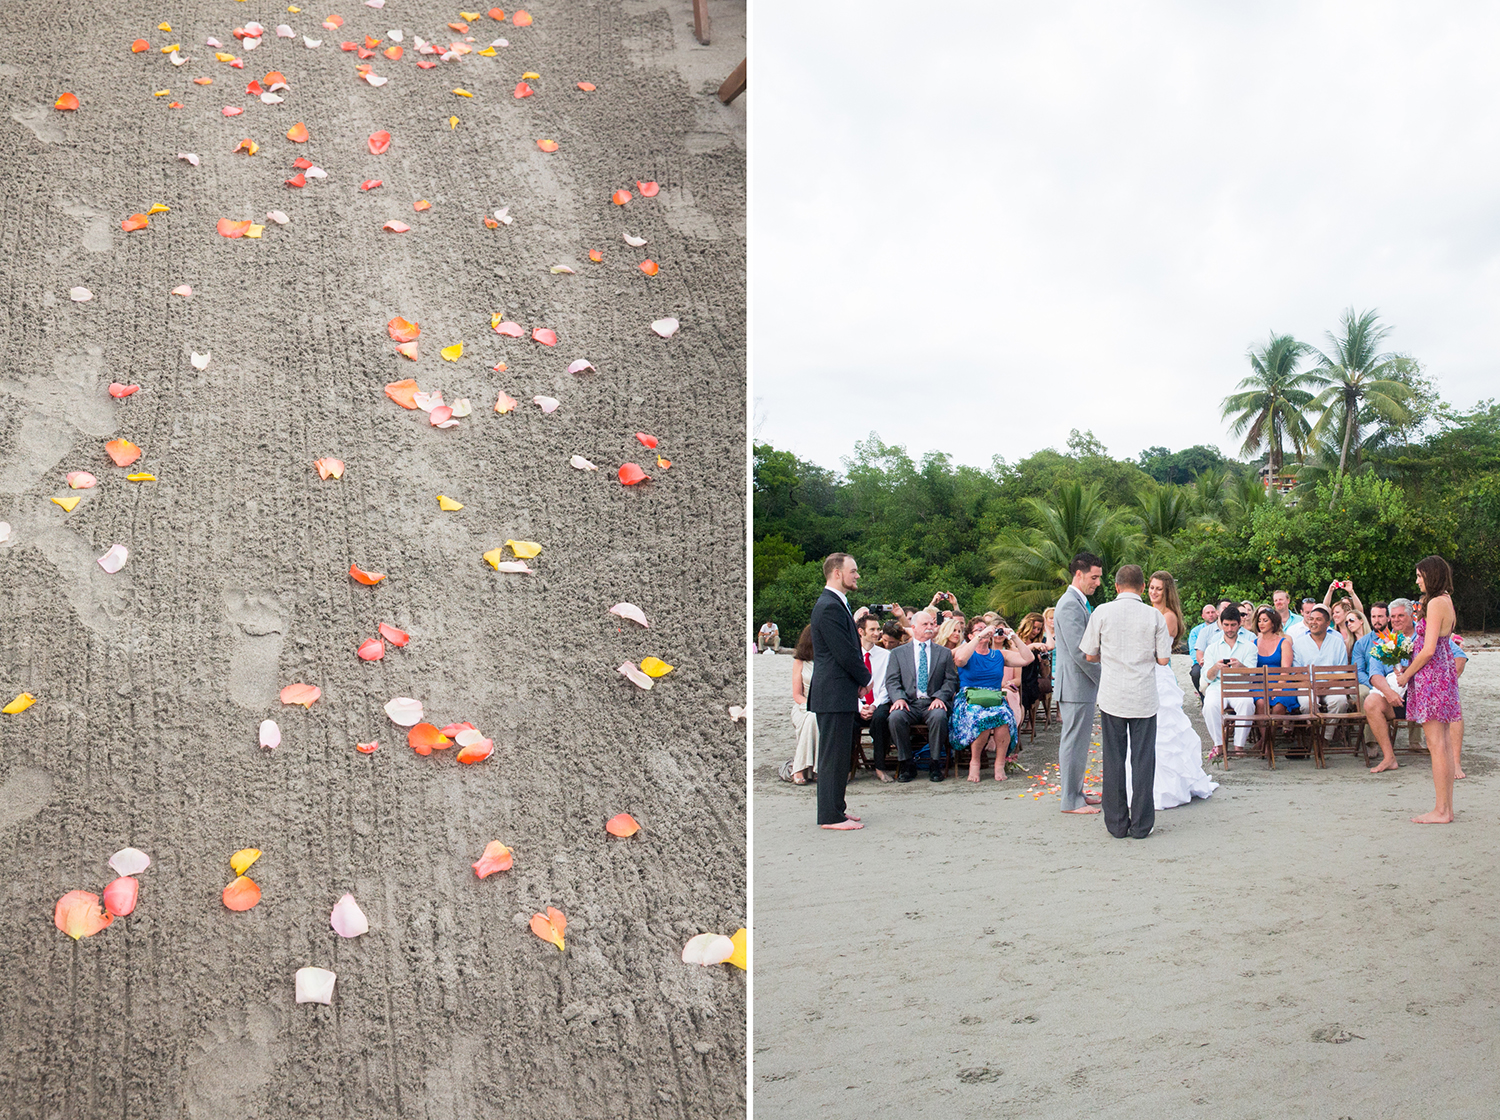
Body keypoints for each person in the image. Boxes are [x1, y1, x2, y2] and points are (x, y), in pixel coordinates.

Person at [1080, 565, 1172, 839]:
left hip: (1112, 696)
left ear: (1117, 587)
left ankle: (1117, 823)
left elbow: (1088, 654)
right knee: (1143, 761)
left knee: (1113, 758)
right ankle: (1142, 825)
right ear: (1143, 588)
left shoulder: (1102, 612)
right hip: (1143, 696)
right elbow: (1164, 659)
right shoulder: (1153, 615)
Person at [1141, 571, 1217, 809]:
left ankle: (1167, 785)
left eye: (1159, 589)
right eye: (1151, 587)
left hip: (1158, 672)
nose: (1153, 592)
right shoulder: (1149, 612)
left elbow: (1157, 651)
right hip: (1144, 673)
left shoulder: (1168, 616)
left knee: (1165, 729)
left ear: (1167, 592)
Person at [1395, 555, 1462, 824]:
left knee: (1436, 744)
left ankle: (1441, 810)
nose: (1417, 580)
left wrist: (1406, 676)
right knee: (1442, 743)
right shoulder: (1445, 600)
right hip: (1442, 674)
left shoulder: (1435, 603)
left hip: (1432, 676)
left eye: (1420, 576)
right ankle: (1446, 807)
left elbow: (1428, 649)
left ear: (1431, 576)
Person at [807, 553, 870, 831]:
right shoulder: (829, 606)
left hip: (838, 691)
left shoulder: (836, 603)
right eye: (853, 571)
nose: (857, 575)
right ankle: (830, 816)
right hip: (833, 692)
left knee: (841, 753)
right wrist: (865, 678)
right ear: (836, 573)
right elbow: (844, 652)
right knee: (833, 756)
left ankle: (837, 808)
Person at [950, 618, 1030, 782]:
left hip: (993, 697)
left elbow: (1027, 659)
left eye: (986, 628)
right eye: (979, 629)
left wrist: (1013, 637)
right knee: (983, 718)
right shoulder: (967, 652)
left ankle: (999, 764)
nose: (985, 631)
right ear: (971, 635)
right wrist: (979, 637)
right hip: (969, 698)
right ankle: (975, 762)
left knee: (1003, 718)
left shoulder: (999, 655)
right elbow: (959, 660)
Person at [1054, 552, 1103, 814]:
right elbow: (1079, 651)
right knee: (1074, 741)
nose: (1097, 583)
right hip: (1075, 684)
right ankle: (1070, 800)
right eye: (1094, 577)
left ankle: (1077, 793)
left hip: (1078, 684)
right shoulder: (1070, 604)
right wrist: (1104, 678)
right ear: (1079, 574)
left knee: (1080, 741)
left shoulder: (1077, 602)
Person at [885, 609, 959, 781]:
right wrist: (899, 698)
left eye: (931, 624)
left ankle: (935, 763)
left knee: (939, 716)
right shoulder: (898, 653)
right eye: (925, 624)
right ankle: (906, 763)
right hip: (909, 702)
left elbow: (951, 681)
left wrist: (940, 697)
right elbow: (892, 681)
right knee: (895, 717)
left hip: (933, 701)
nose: (929, 627)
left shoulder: (944, 653)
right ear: (913, 627)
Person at [1363, 597, 1416, 774]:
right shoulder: (1385, 640)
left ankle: (1452, 760)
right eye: (1393, 616)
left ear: (1411, 616)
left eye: (1401, 615)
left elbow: (1459, 657)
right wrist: (1389, 693)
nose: (1396, 619)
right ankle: (1389, 757)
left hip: (1422, 694)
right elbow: (1374, 674)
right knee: (1371, 702)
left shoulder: (1424, 636)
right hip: (1396, 696)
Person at [1201, 604, 1258, 760]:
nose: (1229, 629)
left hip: (1240, 685)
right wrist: (1215, 667)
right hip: (1218, 685)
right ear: (1221, 624)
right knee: (1210, 705)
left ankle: (1239, 745)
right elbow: (1207, 677)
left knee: (1247, 704)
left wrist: (1241, 666)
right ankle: (1218, 744)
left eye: (1233, 625)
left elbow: (1252, 675)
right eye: (1226, 625)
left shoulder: (1250, 647)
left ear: (1239, 624)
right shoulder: (1212, 648)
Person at [1291, 605, 1351, 741]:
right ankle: (1314, 733)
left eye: (1318, 619)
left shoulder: (1337, 642)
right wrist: (1312, 685)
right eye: (1311, 619)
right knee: (1307, 703)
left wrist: (1327, 685)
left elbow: (1342, 672)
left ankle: (1326, 737)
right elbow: (1297, 673)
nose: (1313, 622)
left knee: (1340, 701)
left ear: (1327, 623)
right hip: (1308, 685)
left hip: (1332, 684)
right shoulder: (1299, 643)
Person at [853, 615, 895, 783]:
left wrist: (874, 705)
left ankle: (880, 767)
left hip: (879, 702)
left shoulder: (886, 655)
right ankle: (850, 767)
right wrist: (860, 706)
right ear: (861, 632)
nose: (877, 633)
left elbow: (887, 685)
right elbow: (849, 685)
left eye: (878, 629)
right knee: (848, 722)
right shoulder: (852, 655)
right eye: (872, 629)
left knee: (880, 721)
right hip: (856, 703)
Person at [1251, 607, 1298, 725]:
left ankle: (1267, 739)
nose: (1261, 624)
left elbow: (1286, 669)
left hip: (1281, 681)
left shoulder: (1284, 643)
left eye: (1265, 620)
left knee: (1279, 706)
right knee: (1261, 703)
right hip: (1260, 683)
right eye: (1259, 620)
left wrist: (1278, 686)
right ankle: (1265, 741)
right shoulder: (1253, 643)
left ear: (1273, 623)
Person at [784, 626, 818, 785]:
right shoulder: (800, 662)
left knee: (814, 718)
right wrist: (811, 704)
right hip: (802, 705)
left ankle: (800, 768)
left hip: (822, 705)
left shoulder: (829, 660)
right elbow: (797, 695)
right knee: (811, 716)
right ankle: (813, 769)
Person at [1015, 612, 1053, 719]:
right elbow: (1015, 655)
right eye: (1034, 628)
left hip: (1031, 677)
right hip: (1019, 674)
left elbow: (1050, 646)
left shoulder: (1038, 641)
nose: (1036, 631)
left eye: (1039, 629)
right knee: (1024, 692)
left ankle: (1029, 722)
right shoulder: (1016, 638)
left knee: (1033, 689)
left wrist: (1046, 628)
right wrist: (1032, 646)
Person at [1186, 602, 1218, 697]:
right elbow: (1193, 651)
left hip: (1217, 661)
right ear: (1203, 616)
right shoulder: (1196, 631)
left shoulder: (1222, 628)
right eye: (1208, 613)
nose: (1211, 615)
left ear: (1216, 613)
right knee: (1195, 673)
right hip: (1201, 661)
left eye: (1212, 612)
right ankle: (1202, 695)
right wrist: (1202, 661)